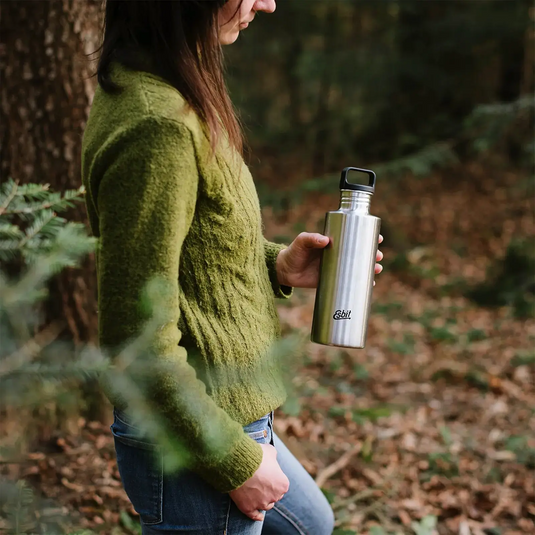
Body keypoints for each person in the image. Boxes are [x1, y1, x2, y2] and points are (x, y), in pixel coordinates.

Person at [81, 1, 384, 533]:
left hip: (227, 411)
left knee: (310, 524)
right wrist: (234, 462)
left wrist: (279, 266)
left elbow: (186, 254)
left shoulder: (165, 91)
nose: (267, 2)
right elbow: (135, 340)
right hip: (197, 431)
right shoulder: (159, 126)